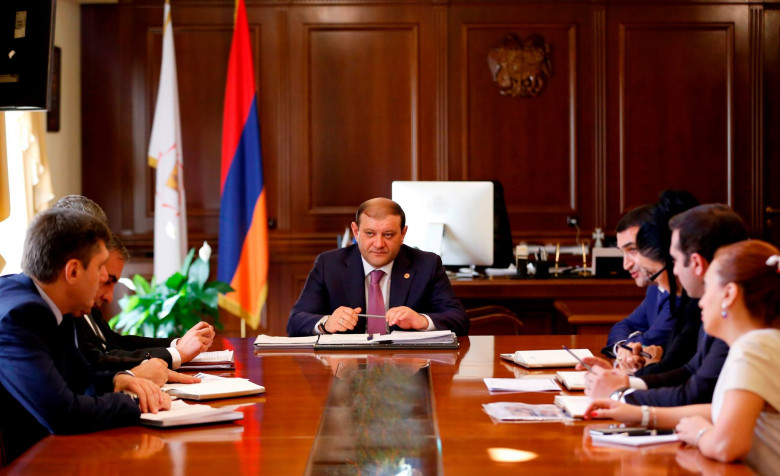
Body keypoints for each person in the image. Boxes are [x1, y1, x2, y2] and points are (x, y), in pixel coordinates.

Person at [586, 240, 780, 475]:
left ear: (729, 294)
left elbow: (727, 447)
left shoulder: (753, 347)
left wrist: (700, 434)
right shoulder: (760, 342)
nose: (701, 301)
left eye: (708, 288)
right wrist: (639, 414)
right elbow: (722, 410)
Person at [0, 208, 170, 464]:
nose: (103, 277)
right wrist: (134, 403)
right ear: (73, 272)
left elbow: (81, 377)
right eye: (100, 267)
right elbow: (64, 415)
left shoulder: (52, 302)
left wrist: (120, 380)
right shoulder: (21, 315)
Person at [583, 204, 748, 406]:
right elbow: (690, 370)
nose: (674, 271)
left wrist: (619, 394)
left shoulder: (736, 321)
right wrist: (622, 381)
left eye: (675, 261)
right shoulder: (711, 307)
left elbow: (697, 392)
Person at [53, 195, 216, 372]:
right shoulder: (57, 306)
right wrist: (177, 353)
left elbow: (113, 343)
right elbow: (98, 363)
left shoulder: (80, 297)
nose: (108, 296)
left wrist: (177, 345)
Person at [287, 198, 468, 337]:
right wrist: (326, 323)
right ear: (356, 232)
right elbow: (295, 321)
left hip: (406, 365)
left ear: (403, 234)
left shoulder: (427, 264)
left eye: (388, 235)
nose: (379, 244)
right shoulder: (329, 264)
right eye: (370, 233)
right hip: (347, 366)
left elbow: (459, 319)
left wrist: (421, 321)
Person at [605, 191, 698, 365]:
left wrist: (631, 348)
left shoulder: (684, 295)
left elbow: (650, 342)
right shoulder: (655, 288)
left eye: (633, 250)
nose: (626, 265)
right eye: (622, 252)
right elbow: (623, 326)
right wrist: (623, 348)